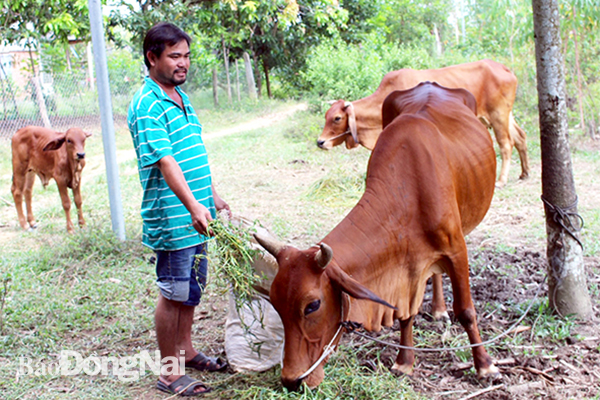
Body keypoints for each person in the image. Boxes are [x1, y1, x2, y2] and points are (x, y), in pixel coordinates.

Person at [128, 22, 230, 397]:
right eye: (174, 56)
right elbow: (167, 161)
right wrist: (192, 206)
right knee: (172, 292)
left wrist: (212, 197)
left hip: (197, 215)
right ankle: (169, 372)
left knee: (192, 287)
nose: (183, 63)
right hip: (174, 217)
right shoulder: (147, 103)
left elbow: (193, 156)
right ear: (152, 57)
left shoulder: (180, 97)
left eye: (186, 56)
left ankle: (186, 350)